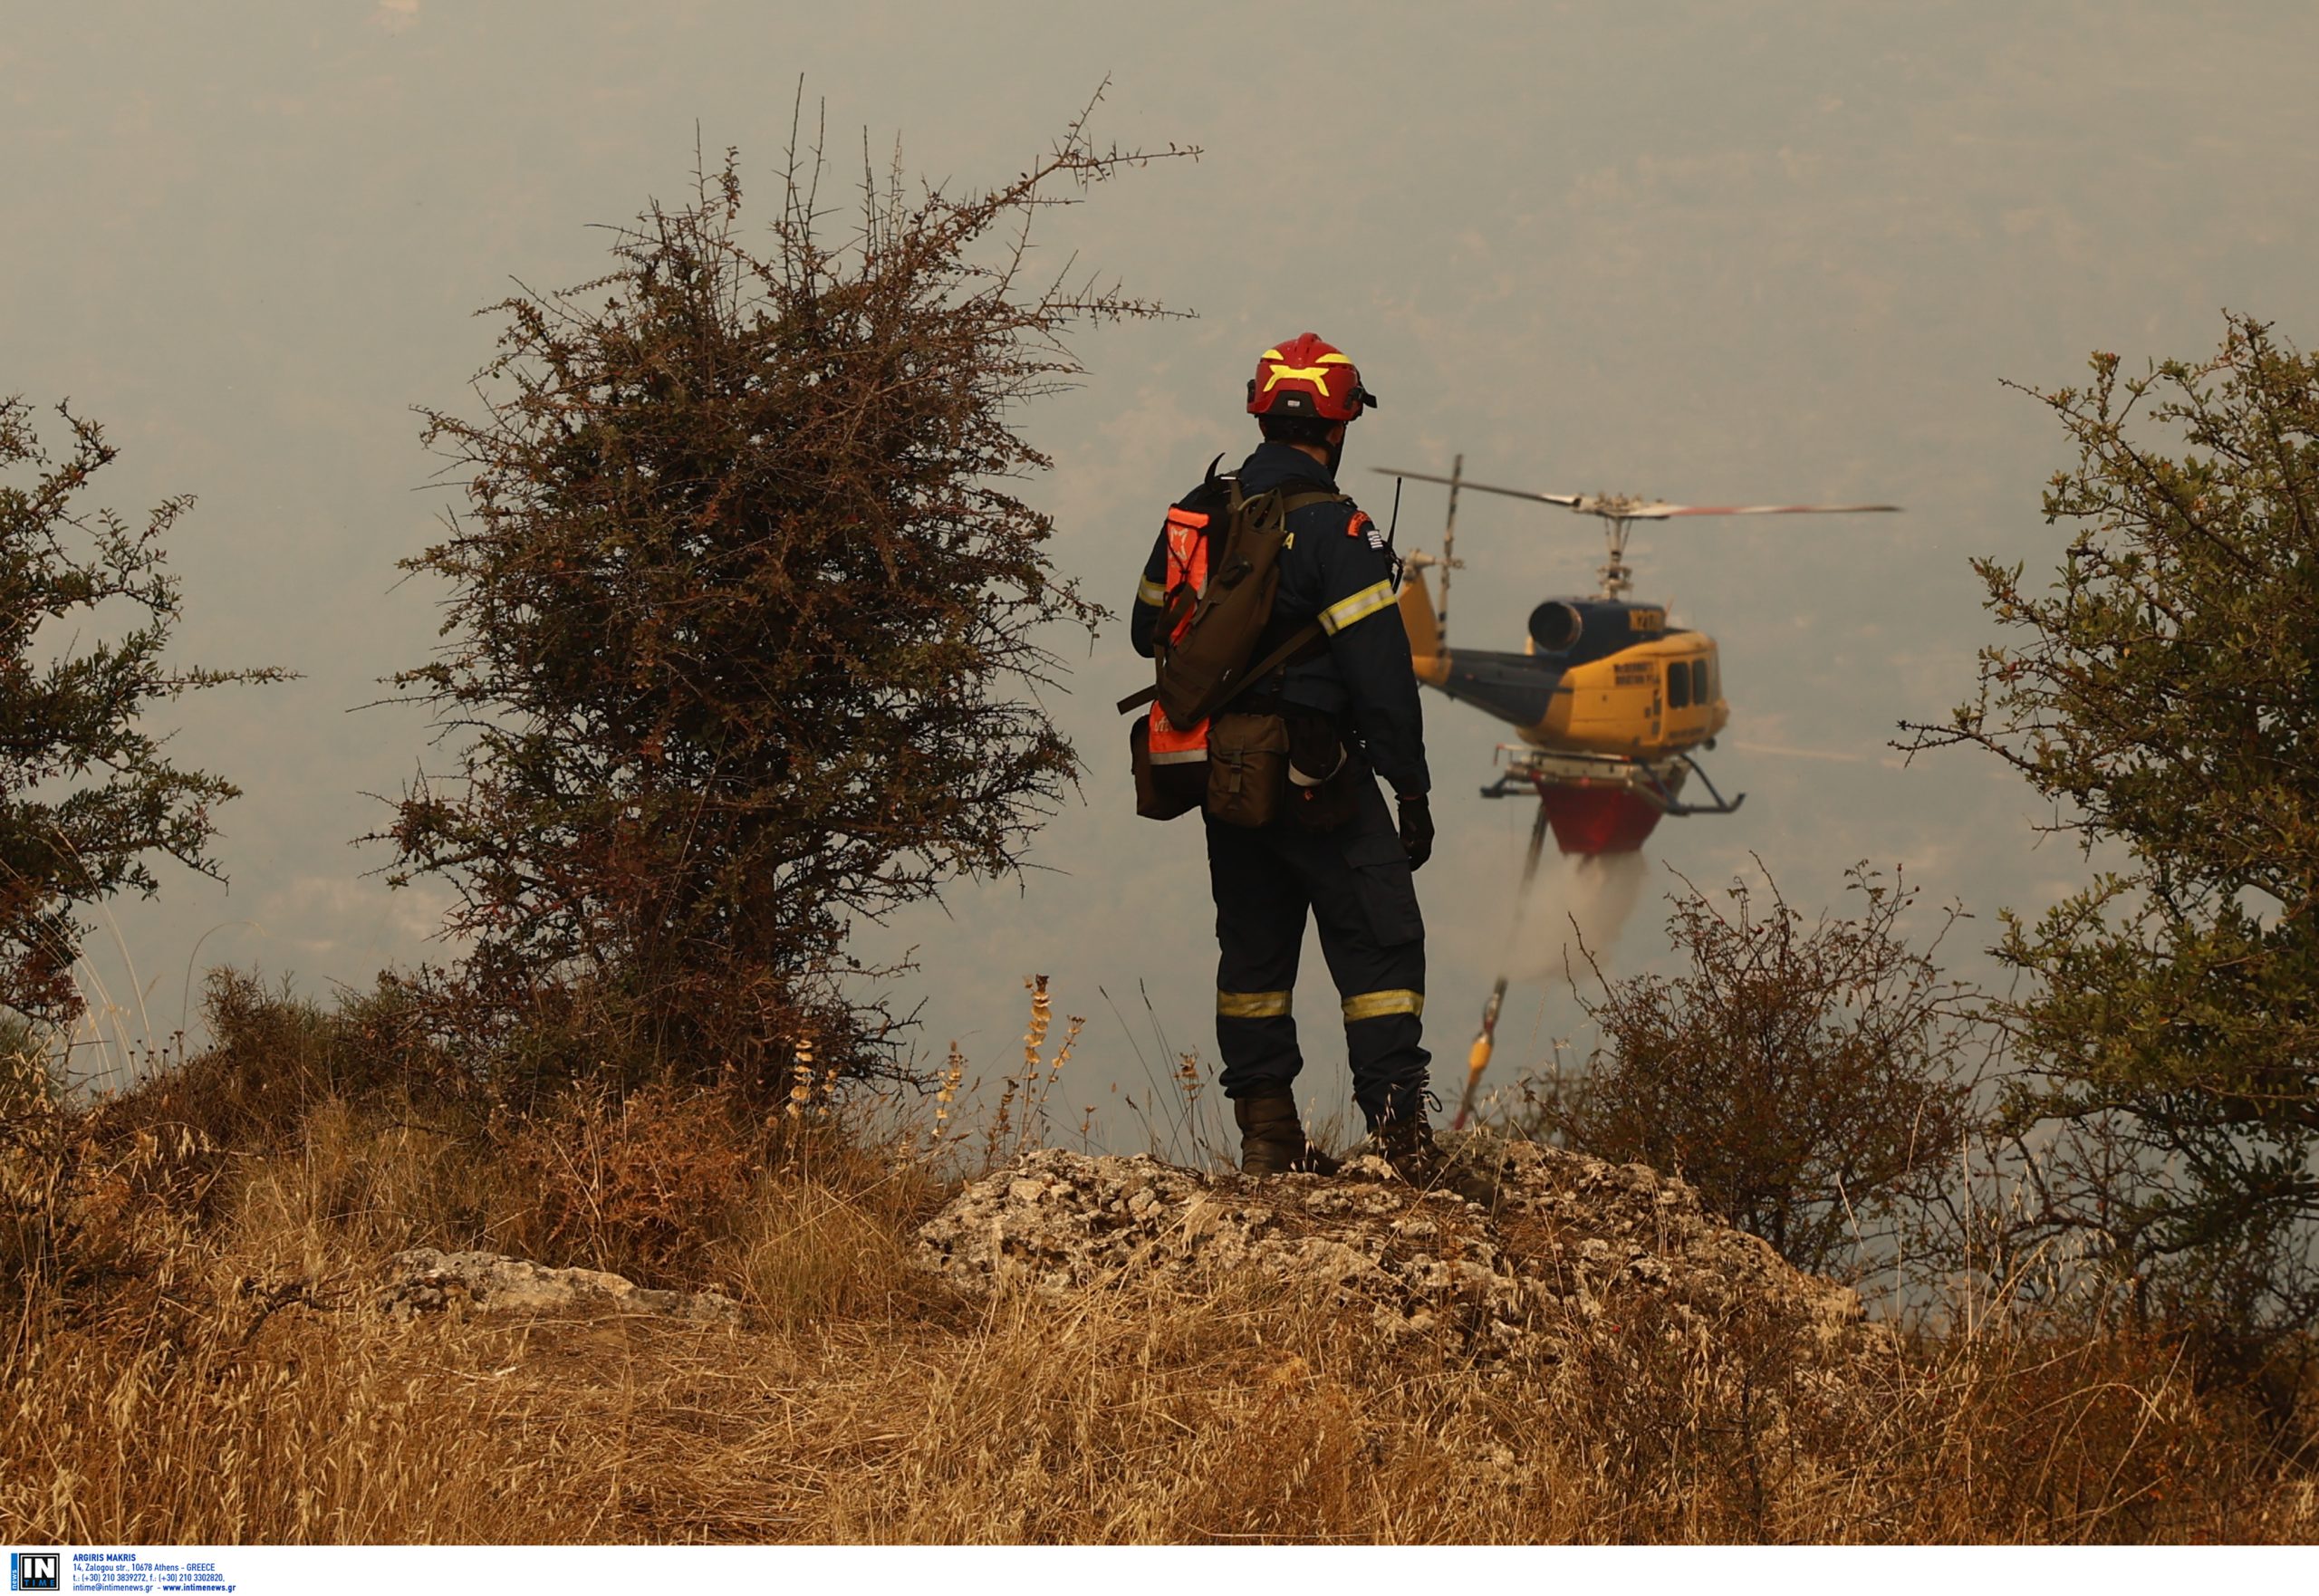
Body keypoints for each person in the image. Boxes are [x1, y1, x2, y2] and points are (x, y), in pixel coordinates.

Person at [1131, 332, 1473, 1194]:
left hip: (1225, 778)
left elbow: (1145, 628)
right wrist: (1412, 789)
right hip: (1323, 780)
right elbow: (1381, 675)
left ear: (1261, 416)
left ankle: (1268, 1141)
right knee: (1382, 942)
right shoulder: (1337, 528)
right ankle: (1400, 1142)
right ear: (1340, 425)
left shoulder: (1196, 512)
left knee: (1252, 956)